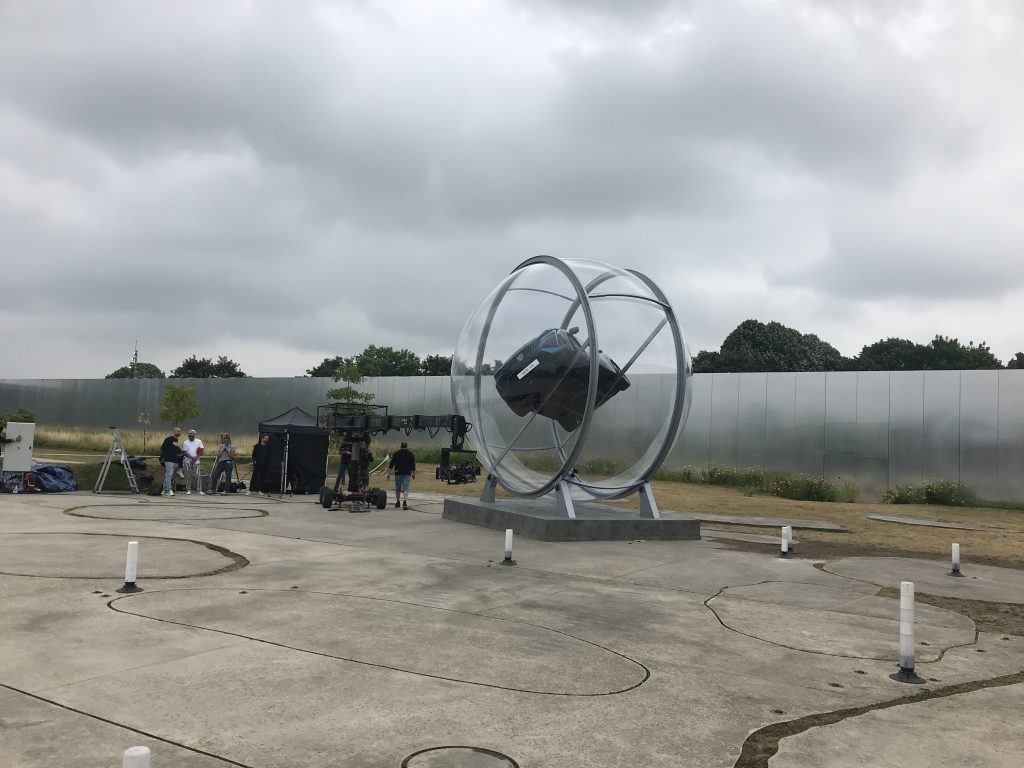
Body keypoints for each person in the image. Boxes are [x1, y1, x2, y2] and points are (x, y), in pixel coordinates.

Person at [387, 441, 416, 510]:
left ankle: (398, 502)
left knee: (398, 488)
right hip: (407, 473)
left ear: (400, 446)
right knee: (406, 488)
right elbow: (413, 466)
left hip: (398, 473)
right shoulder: (410, 454)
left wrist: (389, 473)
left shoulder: (396, 454)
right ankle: (405, 502)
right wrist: (413, 474)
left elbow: (391, 464)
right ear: (407, 446)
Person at [159, 427, 183, 497]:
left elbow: (176, 450)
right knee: (169, 474)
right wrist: (165, 455)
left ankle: (164, 490)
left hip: (174, 460)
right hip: (169, 459)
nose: (179, 433)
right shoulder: (168, 439)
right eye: (178, 431)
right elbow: (163, 448)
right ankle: (168, 490)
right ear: (174, 431)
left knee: (169, 475)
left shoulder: (176, 440)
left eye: (180, 431)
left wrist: (179, 454)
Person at [181, 428, 205, 495]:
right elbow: (184, 452)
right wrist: (192, 458)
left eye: (191, 433)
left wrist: (196, 457)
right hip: (187, 461)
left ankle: (199, 490)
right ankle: (188, 489)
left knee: (198, 475)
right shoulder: (185, 442)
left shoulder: (199, 441)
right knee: (188, 475)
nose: (189, 434)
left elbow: (201, 450)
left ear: (194, 434)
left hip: (196, 461)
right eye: (189, 433)